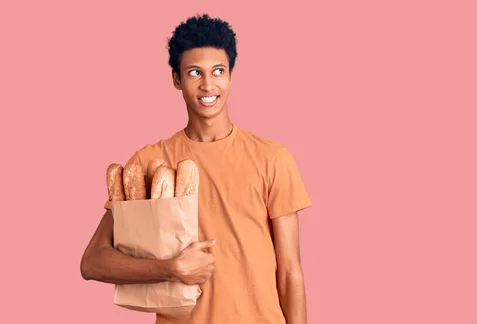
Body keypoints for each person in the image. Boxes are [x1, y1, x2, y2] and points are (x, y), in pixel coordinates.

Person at [80, 14, 312, 324]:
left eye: (218, 71)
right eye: (194, 72)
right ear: (176, 79)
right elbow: (93, 262)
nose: (208, 84)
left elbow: (289, 271)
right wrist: (170, 269)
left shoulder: (273, 158)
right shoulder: (151, 162)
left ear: (230, 76)